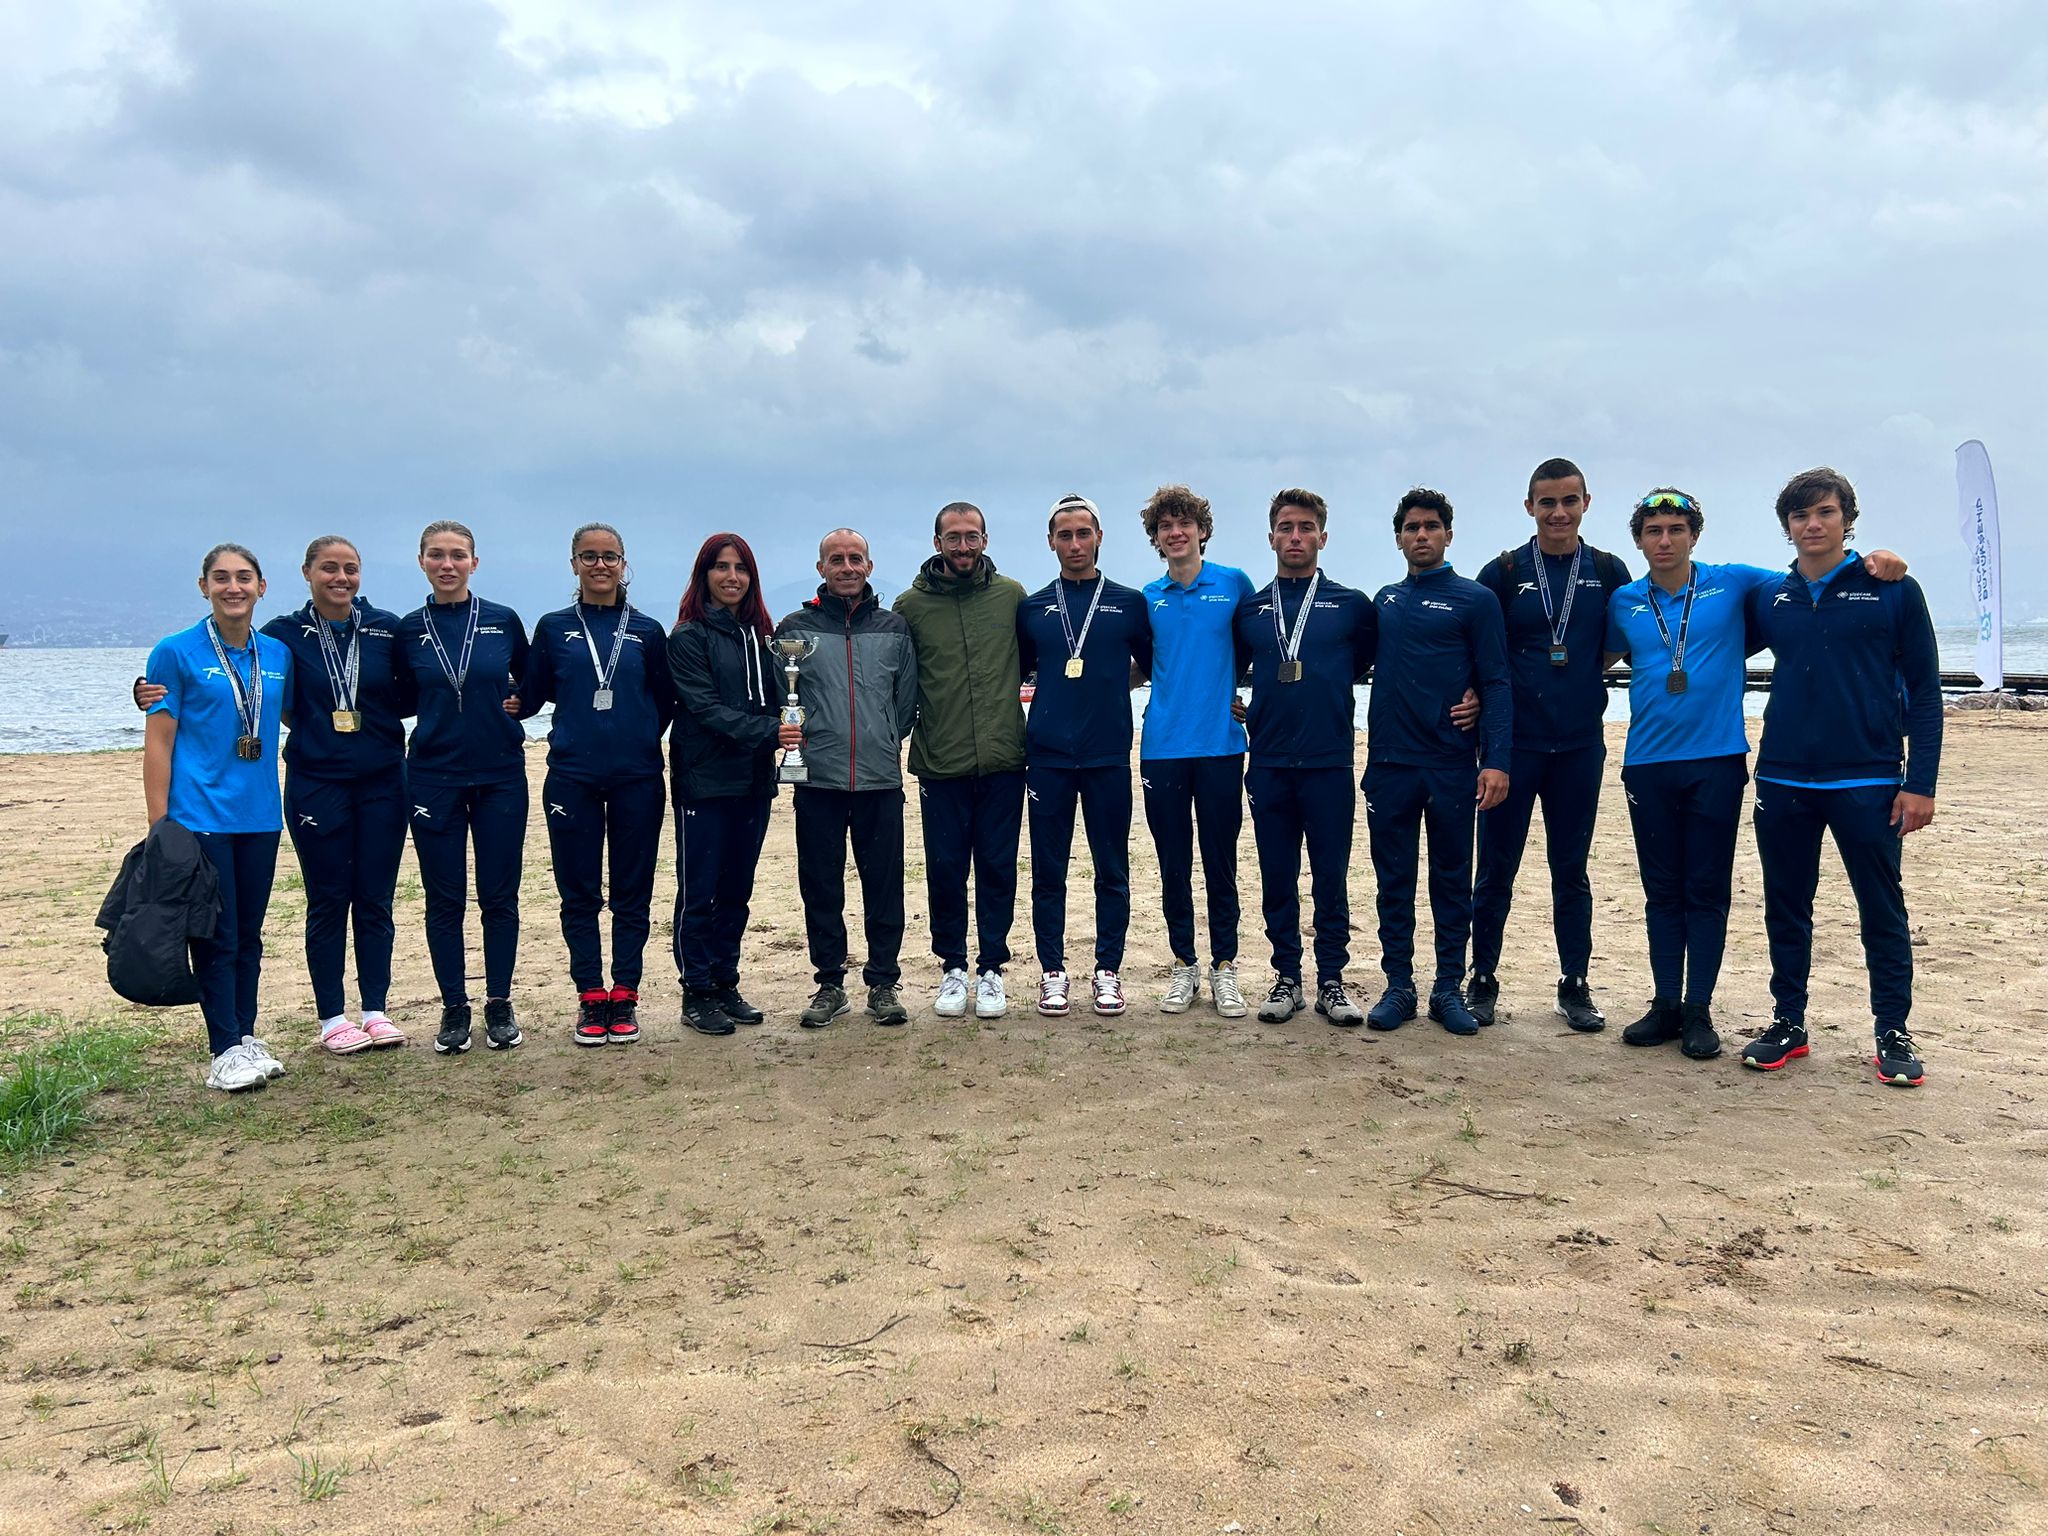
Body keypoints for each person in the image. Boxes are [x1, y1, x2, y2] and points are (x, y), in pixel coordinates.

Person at [1604, 487, 1907, 1062]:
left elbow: (1814, 580)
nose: (1665, 540)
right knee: (1661, 891)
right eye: (1653, 531)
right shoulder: (1624, 601)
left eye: (1676, 529)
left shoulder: (1738, 582)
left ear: (1695, 535)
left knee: (1706, 889)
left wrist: (1875, 560)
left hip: (1718, 759)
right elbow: (1597, 659)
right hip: (1645, 762)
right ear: (1638, 541)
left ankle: (1698, 1009)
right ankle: (1665, 1004)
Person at [136, 537, 411, 1055]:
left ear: (260, 586)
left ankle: (366, 1013)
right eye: (327, 568)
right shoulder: (271, 639)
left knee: (360, 904)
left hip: (338, 794)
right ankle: (312, 1024)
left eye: (350, 568)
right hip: (286, 792)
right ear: (305, 574)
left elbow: (297, 706)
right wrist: (146, 694)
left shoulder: (355, 635)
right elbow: (184, 725)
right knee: (304, 908)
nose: (340, 577)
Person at [1743, 468, 1940, 1087]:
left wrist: (1921, 782)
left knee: (1881, 908)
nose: (1813, 525)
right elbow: (1707, 638)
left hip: (1868, 778)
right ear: (1787, 526)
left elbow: (1926, 692)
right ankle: (1788, 1022)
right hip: (1783, 777)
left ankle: (1893, 1030)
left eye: (1825, 513)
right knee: (1786, 905)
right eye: (1800, 516)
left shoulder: (1893, 589)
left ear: (1847, 520)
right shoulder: (1771, 597)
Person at [1470, 458, 1631, 1032]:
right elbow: (1480, 653)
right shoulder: (1503, 572)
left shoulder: (1608, 570)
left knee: (1571, 870)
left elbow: (1617, 644)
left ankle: (1575, 984)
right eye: (1547, 502)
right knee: (1496, 869)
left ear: (1586, 503)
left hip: (1580, 746)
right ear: (1529, 507)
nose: (1558, 512)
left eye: (1568, 501)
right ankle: (1482, 979)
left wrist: (1576, 677)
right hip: (1514, 748)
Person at [513, 523, 674, 1047]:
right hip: (572, 778)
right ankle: (589, 994)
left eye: (609, 556)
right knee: (578, 893)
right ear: (574, 564)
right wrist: (501, 698)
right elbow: (533, 695)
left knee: (632, 892)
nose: (600, 565)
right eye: (589, 556)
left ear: (624, 563)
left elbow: (664, 700)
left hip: (638, 777)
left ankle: (624, 993)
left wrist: (637, 736)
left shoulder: (647, 630)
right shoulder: (553, 627)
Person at [141, 543, 294, 1091]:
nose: (234, 587)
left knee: (249, 935)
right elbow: (159, 742)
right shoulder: (174, 652)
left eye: (244, 577)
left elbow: (297, 714)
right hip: (199, 817)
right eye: (222, 578)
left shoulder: (277, 654)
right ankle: (222, 1048)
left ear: (262, 587)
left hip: (261, 816)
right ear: (203, 586)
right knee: (216, 936)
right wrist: (160, 827)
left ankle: (245, 1036)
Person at [1362, 489, 1513, 1038]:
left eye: (1430, 526)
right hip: (1389, 763)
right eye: (1411, 527)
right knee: (1393, 882)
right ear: (1398, 538)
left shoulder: (1476, 600)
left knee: (1451, 881)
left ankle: (1448, 986)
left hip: (1451, 763)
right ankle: (1398, 986)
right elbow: (1337, 662)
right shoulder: (1384, 601)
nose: (1421, 535)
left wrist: (1496, 758)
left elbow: (1496, 680)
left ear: (1448, 534)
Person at [1233, 490, 1378, 1026]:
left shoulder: (1352, 605)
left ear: (1323, 536)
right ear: (1271, 537)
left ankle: (1332, 981)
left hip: (1329, 761)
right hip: (1268, 762)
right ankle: (1287, 978)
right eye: (1286, 528)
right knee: (1277, 876)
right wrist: (1236, 704)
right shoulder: (1251, 610)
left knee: (1330, 877)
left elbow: (1367, 663)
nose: (1296, 537)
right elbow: (1229, 669)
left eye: (1306, 527)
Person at [395, 520, 531, 1055]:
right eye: (436, 555)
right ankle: (454, 1006)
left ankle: (499, 1002)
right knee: (444, 899)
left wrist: (518, 704)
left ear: (474, 562)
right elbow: (392, 696)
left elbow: (535, 681)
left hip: (500, 775)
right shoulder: (408, 629)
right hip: (433, 777)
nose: (447, 564)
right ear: (421, 562)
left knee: (499, 896)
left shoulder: (502, 619)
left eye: (457, 555)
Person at [777, 529, 920, 1028]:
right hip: (818, 780)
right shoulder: (795, 628)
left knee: (885, 885)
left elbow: (906, 701)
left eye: (855, 558)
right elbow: (784, 699)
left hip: (880, 779)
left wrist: (883, 735)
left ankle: (883, 983)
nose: (846, 567)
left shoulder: (894, 628)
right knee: (820, 886)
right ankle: (830, 984)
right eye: (836, 559)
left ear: (869, 566)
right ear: (821, 568)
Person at [1018, 494, 1153, 1017]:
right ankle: (1053, 972)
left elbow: (1152, 665)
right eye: (1064, 535)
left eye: (1083, 533)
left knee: (1111, 869)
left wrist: (1112, 686)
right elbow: (1016, 671)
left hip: (1107, 754)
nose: (1074, 544)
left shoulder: (1129, 603)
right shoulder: (1033, 607)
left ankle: (1107, 971)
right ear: (1050, 542)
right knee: (1048, 872)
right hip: (1047, 756)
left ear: (1099, 538)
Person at [893, 502, 1028, 1021]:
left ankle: (991, 968)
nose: (964, 546)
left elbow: (1032, 661)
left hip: (1003, 759)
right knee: (946, 869)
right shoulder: (911, 606)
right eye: (954, 537)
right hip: (940, 761)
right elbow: (898, 678)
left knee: (997, 867)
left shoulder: (1011, 596)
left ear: (985, 540)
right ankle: (952, 966)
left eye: (972, 536)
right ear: (938, 543)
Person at [1138, 484, 1253, 1017]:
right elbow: (1141, 663)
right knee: (1173, 862)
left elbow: (1258, 645)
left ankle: (1224, 966)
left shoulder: (1233, 583)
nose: (1176, 532)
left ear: (1202, 530)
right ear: (1156, 537)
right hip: (1162, 746)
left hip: (1220, 745)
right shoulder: (1148, 597)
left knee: (1220, 860)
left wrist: (1248, 699)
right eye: (1165, 526)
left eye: (1185, 523)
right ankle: (1184, 964)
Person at [667, 533, 783, 1036]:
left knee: (737, 890)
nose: (732, 577)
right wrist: (772, 731)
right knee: (700, 892)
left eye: (741, 568)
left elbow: (779, 698)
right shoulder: (688, 637)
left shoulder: (762, 637)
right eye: (721, 567)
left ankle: (725, 981)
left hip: (754, 781)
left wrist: (792, 722)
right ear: (704, 575)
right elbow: (706, 708)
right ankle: (696, 990)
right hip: (705, 781)